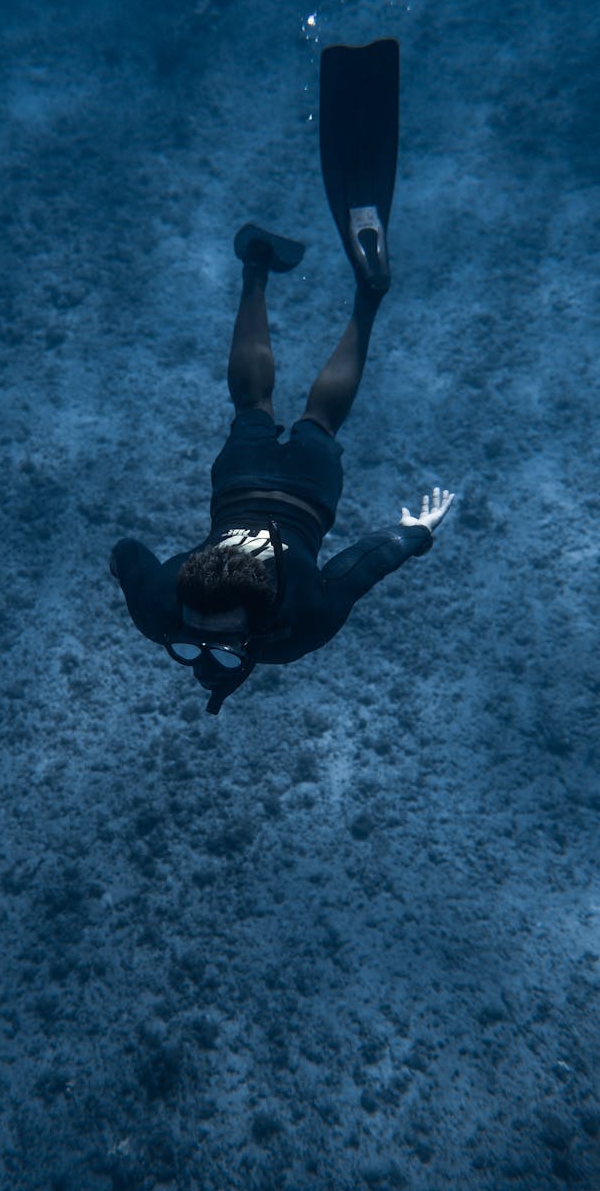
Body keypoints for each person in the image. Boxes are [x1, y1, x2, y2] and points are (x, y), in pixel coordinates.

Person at [110, 40, 454, 714]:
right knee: (251, 405)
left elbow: (364, 563)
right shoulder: (160, 608)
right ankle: (258, 264)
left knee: (320, 421)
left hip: (308, 492)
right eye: (212, 646)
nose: (201, 648)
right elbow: (127, 552)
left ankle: (367, 297)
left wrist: (418, 532)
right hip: (239, 481)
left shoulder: (300, 624)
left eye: (197, 643)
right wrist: (127, 577)